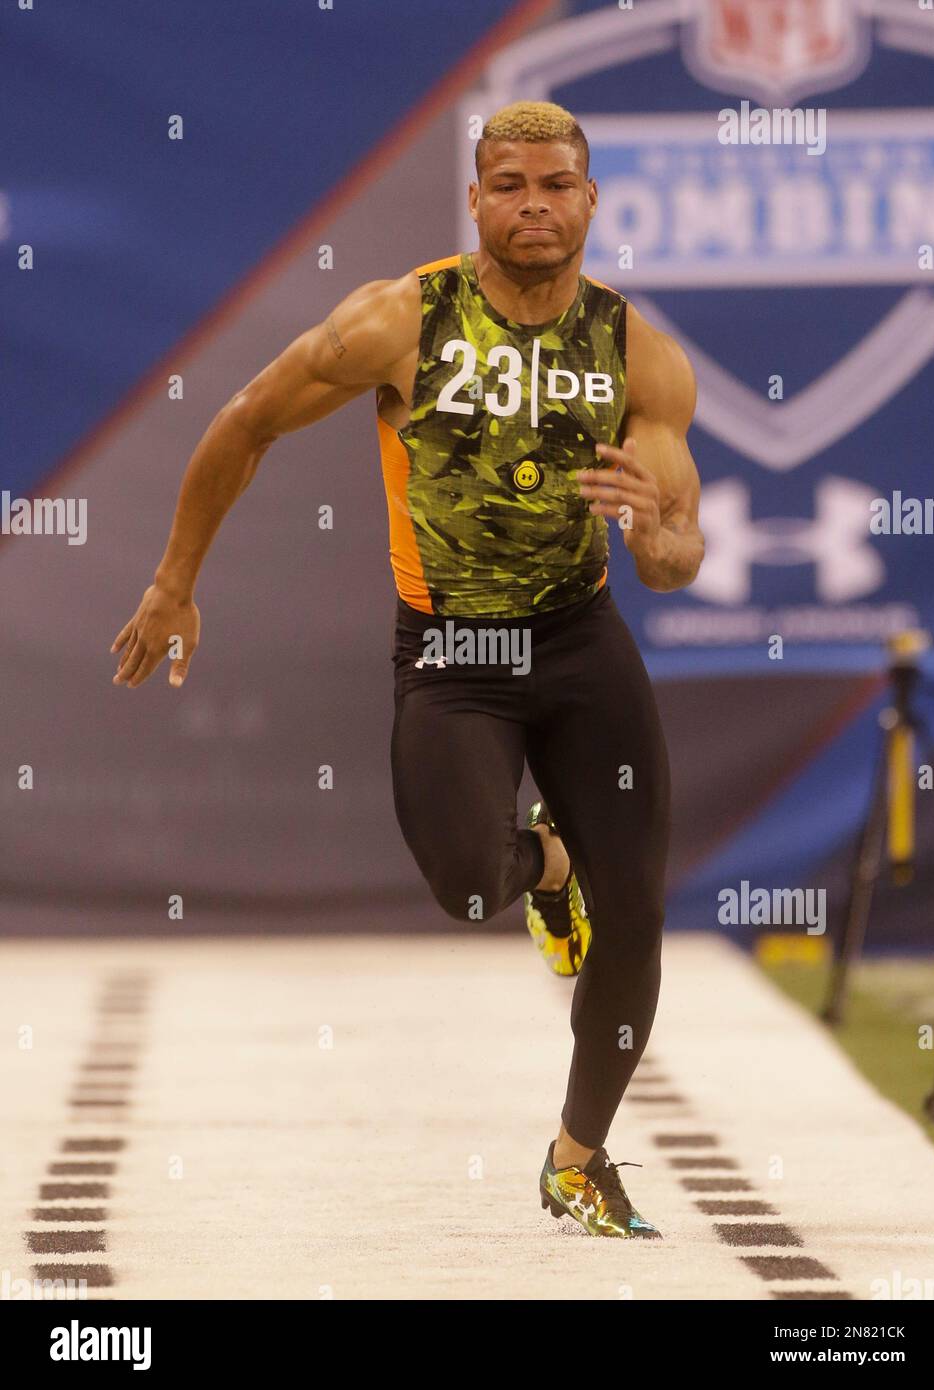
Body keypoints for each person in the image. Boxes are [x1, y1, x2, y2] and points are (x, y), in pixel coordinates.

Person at [110, 99, 704, 1239]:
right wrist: (175, 580)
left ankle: (577, 1158)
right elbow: (243, 421)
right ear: (475, 201)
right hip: (453, 653)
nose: (535, 204)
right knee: (469, 885)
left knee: (636, 916)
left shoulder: (637, 351)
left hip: (580, 641)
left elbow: (679, 548)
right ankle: (545, 870)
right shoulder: (400, 320)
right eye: (511, 184)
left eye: (557, 185)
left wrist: (655, 536)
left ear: (590, 202)